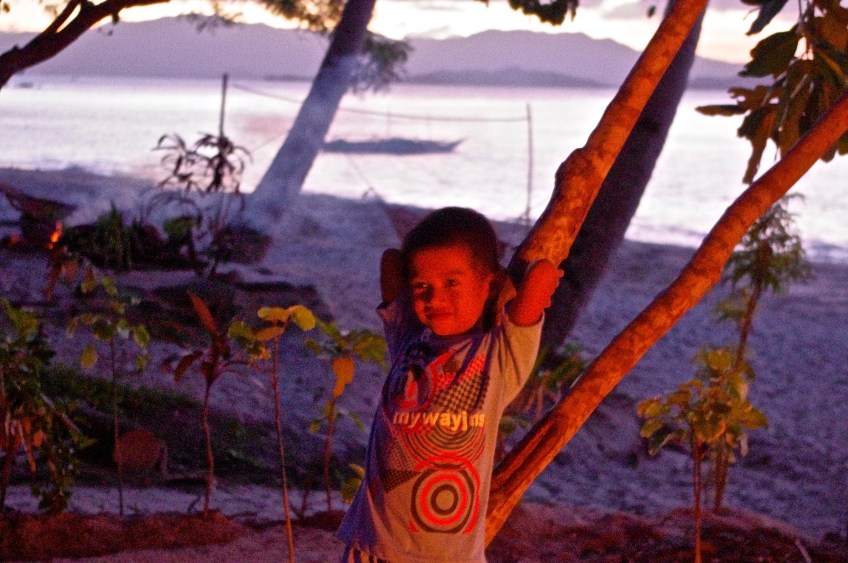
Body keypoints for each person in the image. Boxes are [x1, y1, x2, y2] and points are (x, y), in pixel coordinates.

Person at [337, 207, 561, 562]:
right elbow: (392, 261)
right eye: (422, 286)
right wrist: (444, 276)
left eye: (452, 283)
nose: (434, 298)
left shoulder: (498, 357)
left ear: (488, 284)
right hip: (372, 544)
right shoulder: (408, 340)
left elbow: (542, 274)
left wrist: (501, 287)